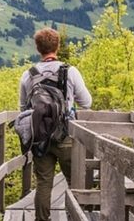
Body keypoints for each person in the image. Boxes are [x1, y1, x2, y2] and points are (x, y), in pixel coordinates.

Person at [19, 27, 91, 221]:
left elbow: (23, 108)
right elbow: (87, 102)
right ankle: (76, 217)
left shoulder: (28, 75)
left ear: (38, 48)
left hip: (40, 137)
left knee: (43, 183)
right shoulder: (70, 71)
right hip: (66, 134)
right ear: (57, 46)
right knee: (74, 181)